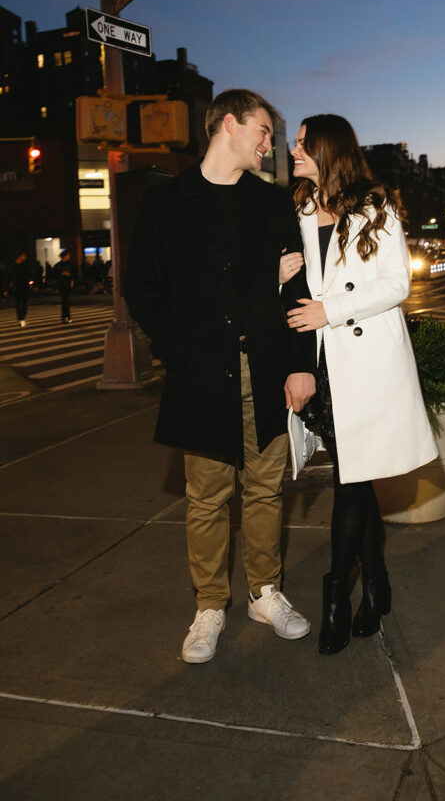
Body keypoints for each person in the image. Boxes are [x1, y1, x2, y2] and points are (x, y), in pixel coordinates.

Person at [125, 89, 317, 664]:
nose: (269, 144)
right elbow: (143, 288)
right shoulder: (166, 202)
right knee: (207, 496)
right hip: (201, 370)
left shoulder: (272, 204)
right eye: (262, 131)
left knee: (264, 488)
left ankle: (265, 592)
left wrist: (300, 365)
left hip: (265, 365)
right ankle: (210, 605)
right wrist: (175, 350)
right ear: (228, 124)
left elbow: (297, 290)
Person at [282, 114, 437, 655]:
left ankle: (336, 595)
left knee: (351, 480)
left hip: (367, 362)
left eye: (302, 143)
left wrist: (332, 308)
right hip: (326, 366)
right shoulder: (298, 206)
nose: (293, 149)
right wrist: (280, 276)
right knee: (358, 476)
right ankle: (375, 582)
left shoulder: (376, 205)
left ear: (327, 149)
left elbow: (397, 283)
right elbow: (294, 289)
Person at [3, 251, 32, 327]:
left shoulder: (26, 265)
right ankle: (20, 319)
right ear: (19, 257)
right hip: (16, 287)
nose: (24, 258)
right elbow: (8, 278)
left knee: (25, 304)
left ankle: (23, 317)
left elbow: (31, 274)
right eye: (23, 256)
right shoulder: (13, 266)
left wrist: (35, 284)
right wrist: (6, 289)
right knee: (18, 304)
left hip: (25, 287)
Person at [53, 249, 73, 323]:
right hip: (61, 284)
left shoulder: (70, 265)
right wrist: (61, 274)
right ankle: (66, 316)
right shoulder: (57, 266)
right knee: (65, 301)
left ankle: (66, 316)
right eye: (68, 255)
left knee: (66, 301)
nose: (68, 257)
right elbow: (53, 275)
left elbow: (74, 274)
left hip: (68, 284)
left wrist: (69, 275)